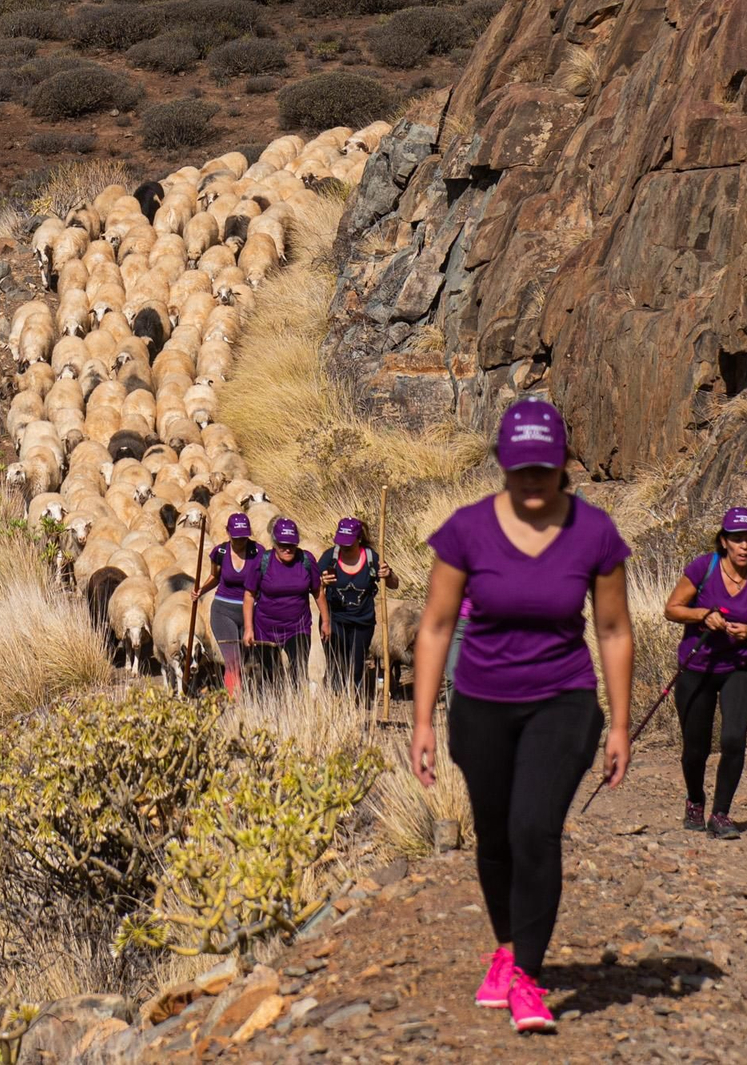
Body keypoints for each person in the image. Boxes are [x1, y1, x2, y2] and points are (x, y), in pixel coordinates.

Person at [410, 397, 632, 1034]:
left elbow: (613, 630)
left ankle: (528, 978)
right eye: (520, 466)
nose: (533, 478)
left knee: (534, 828)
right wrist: (422, 721)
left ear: (563, 463)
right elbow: (436, 626)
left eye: (544, 465)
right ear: (502, 464)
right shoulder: (466, 531)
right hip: (482, 703)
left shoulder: (594, 533)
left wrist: (619, 724)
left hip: (563, 699)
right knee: (495, 833)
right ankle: (506, 948)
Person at [662, 506, 747, 840]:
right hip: (697, 667)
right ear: (724, 540)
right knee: (695, 747)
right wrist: (702, 615)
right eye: (738, 539)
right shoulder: (704, 567)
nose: (744, 546)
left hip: (739, 668)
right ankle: (695, 800)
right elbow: (672, 609)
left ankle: (721, 813)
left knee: (733, 739)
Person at [318, 516, 398, 698]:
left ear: (359, 538)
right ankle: (336, 701)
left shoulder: (371, 558)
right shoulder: (330, 557)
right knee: (336, 664)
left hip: (362, 622)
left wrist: (388, 574)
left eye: (348, 542)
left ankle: (354, 700)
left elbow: (394, 584)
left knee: (356, 665)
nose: (344, 547)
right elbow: (313, 587)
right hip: (335, 620)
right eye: (341, 542)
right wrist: (322, 582)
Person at [242, 517, 321, 687]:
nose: (287, 549)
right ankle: (270, 701)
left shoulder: (306, 560)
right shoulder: (262, 561)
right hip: (265, 628)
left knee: (298, 670)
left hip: (298, 627)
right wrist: (249, 628)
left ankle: (297, 701)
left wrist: (326, 621)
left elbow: (317, 591)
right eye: (282, 545)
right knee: (267, 673)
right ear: (274, 543)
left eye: (291, 544)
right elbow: (249, 595)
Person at [190, 512, 257, 697]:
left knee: (248, 659)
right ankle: (236, 700)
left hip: (251, 612)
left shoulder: (258, 552)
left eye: (244, 537)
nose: (240, 541)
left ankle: (248, 695)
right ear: (228, 532)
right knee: (233, 660)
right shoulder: (220, 553)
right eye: (236, 537)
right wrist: (201, 590)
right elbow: (215, 576)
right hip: (224, 611)